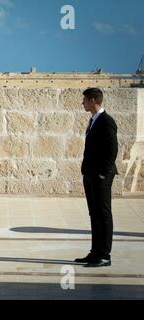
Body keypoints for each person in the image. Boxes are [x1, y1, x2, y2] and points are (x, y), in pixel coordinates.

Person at [75, 88, 118, 267]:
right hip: (91, 175)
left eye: (84, 100)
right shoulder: (94, 120)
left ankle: (104, 255)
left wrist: (102, 173)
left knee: (103, 214)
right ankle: (95, 252)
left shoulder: (106, 121)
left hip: (101, 176)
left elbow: (112, 150)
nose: (82, 103)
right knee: (94, 214)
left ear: (93, 101)